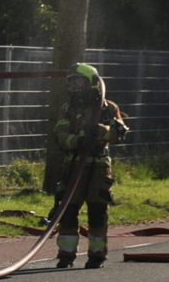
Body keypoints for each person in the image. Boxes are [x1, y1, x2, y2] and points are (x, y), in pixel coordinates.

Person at [52, 63, 129, 269]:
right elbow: (60, 136)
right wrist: (77, 141)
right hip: (74, 165)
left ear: (93, 83)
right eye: (73, 83)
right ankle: (66, 255)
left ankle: (97, 255)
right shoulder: (68, 108)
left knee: (97, 210)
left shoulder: (108, 108)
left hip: (99, 166)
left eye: (80, 82)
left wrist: (101, 131)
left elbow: (119, 134)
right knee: (68, 210)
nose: (76, 87)